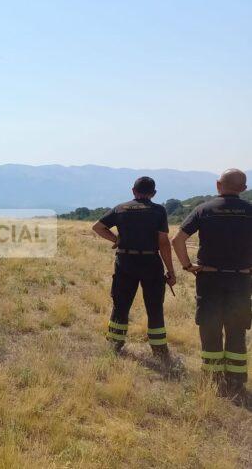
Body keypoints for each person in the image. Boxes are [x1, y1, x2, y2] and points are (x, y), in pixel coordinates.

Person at [172, 169, 252, 402]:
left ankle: (213, 378)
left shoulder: (203, 210)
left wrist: (188, 266)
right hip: (241, 279)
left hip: (209, 279)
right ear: (244, 189)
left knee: (210, 326)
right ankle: (236, 381)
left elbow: (177, 240)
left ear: (218, 185)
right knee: (237, 328)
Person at [92, 176, 178, 364]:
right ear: (153, 193)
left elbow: (98, 227)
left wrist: (116, 240)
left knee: (121, 304)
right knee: (154, 307)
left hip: (125, 261)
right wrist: (171, 271)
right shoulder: (158, 211)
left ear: (133, 191)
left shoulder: (120, 208)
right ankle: (159, 351)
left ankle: (115, 343)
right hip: (151, 262)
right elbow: (163, 242)